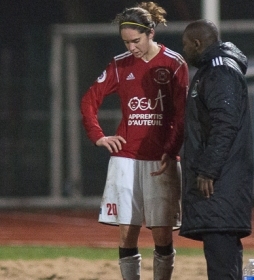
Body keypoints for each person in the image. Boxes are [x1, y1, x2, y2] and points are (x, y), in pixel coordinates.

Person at [80, 2, 189, 279]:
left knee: (162, 232)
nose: (131, 47)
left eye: (135, 41)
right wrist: (98, 136)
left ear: (151, 33)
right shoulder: (119, 65)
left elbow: (181, 114)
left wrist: (171, 150)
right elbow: (89, 101)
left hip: (160, 160)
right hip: (125, 159)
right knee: (127, 231)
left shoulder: (174, 64)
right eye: (126, 42)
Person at [179, 19, 254, 280]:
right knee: (223, 257)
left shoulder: (219, 72)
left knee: (222, 259)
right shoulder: (213, 70)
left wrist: (207, 171)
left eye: (186, 45)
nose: (184, 51)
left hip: (221, 185)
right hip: (223, 185)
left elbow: (225, 125)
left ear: (197, 43)